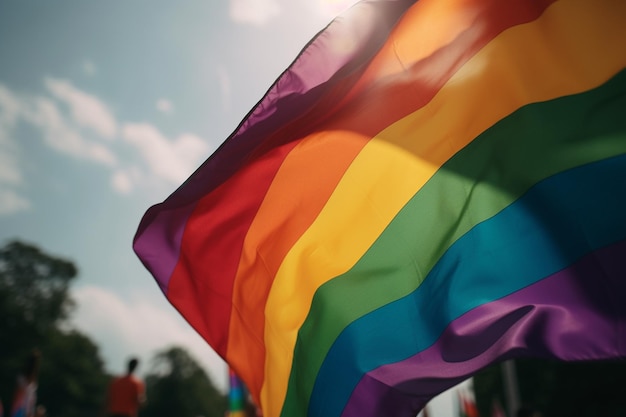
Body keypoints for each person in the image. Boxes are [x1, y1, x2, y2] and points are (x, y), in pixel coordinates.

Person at [10, 350, 41, 417]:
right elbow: (19, 396)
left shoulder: (24, 379)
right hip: (21, 408)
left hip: (24, 408)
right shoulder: (23, 380)